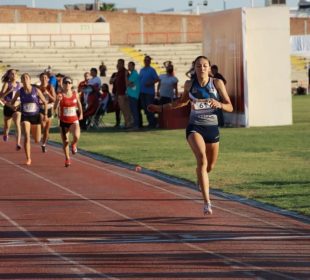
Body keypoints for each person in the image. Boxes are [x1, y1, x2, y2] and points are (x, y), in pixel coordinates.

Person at [148, 56, 233, 215]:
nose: (202, 69)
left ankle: (201, 176)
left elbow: (230, 107)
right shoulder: (189, 84)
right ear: (194, 68)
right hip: (195, 127)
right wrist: (161, 108)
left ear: (209, 68)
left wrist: (219, 104)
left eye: (205, 66)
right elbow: (181, 102)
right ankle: (207, 203)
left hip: (212, 129)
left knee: (210, 167)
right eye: (198, 66)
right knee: (202, 159)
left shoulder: (217, 83)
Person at [9, 73, 48, 166]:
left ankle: (39, 139)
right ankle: (28, 158)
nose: (25, 79)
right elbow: (12, 102)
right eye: (23, 78)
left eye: (27, 77)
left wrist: (45, 114)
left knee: (37, 140)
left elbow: (45, 103)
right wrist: (14, 107)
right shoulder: (20, 91)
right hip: (25, 116)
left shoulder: (36, 90)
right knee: (26, 136)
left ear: (30, 80)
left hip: (35, 116)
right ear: (22, 81)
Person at [53, 76, 83, 167]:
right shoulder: (60, 95)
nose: (67, 84)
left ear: (71, 84)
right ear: (63, 84)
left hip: (74, 120)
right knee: (65, 141)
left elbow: (79, 104)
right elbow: (55, 108)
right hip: (63, 121)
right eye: (65, 83)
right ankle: (67, 158)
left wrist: (81, 113)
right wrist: (57, 101)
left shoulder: (75, 94)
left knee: (76, 136)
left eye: (69, 83)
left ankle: (74, 144)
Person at [0, 69, 22, 150]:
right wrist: (9, 91)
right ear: (9, 76)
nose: (13, 75)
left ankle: (18, 143)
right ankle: (6, 134)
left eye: (15, 73)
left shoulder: (20, 85)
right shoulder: (6, 84)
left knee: (17, 124)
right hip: (8, 107)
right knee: (7, 127)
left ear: (17, 75)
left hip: (17, 108)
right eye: (11, 74)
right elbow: (1, 97)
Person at [37, 72, 56, 152]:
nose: (44, 79)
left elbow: (54, 99)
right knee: (43, 125)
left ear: (48, 79)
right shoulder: (38, 88)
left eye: (46, 77)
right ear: (40, 79)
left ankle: (44, 144)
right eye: (42, 77)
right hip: (40, 108)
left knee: (47, 130)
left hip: (49, 108)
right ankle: (39, 133)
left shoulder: (50, 87)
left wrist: (48, 94)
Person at [139, 55, 159, 128]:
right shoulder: (141, 70)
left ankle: (152, 123)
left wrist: (150, 83)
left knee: (149, 108)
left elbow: (157, 79)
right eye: (145, 60)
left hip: (149, 93)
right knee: (145, 108)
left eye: (148, 60)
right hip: (142, 92)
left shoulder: (152, 70)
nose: (146, 61)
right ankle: (151, 121)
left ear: (150, 61)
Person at [114, 59, 133, 128]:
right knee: (123, 109)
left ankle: (129, 123)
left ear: (122, 64)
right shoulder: (118, 72)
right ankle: (127, 122)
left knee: (126, 109)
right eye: (117, 63)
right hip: (119, 93)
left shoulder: (125, 72)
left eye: (119, 63)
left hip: (124, 93)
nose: (118, 65)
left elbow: (128, 82)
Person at [126, 61, 140, 129]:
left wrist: (126, 76)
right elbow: (129, 84)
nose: (128, 67)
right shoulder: (132, 74)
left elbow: (128, 83)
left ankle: (136, 125)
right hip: (131, 94)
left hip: (133, 95)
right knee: (133, 110)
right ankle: (134, 124)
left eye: (130, 66)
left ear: (133, 66)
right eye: (128, 65)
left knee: (134, 110)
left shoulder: (134, 74)